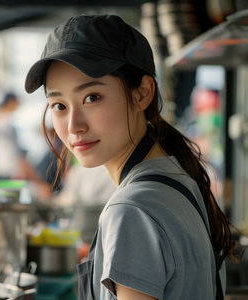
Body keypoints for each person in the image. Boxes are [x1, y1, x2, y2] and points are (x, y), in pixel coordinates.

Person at [24, 14, 239, 300]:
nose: (74, 125)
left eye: (92, 98)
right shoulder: (176, 178)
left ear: (142, 93)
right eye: (59, 105)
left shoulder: (131, 209)